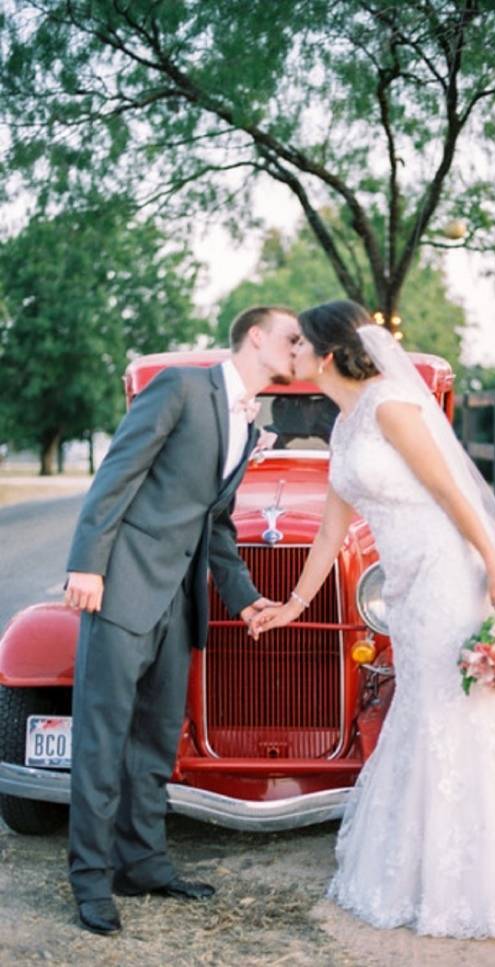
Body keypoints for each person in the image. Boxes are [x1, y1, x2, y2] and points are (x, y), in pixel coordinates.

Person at [250, 300, 495, 939]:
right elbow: (330, 532)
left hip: (445, 575)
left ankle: (476, 874)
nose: (289, 352)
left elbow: (451, 491)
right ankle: (429, 859)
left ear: (324, 355)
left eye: (297, 344)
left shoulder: (389, 406)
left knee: (452, 711)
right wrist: (293, 604)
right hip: (405, 591)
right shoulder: (347, 425)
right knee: (426, 710)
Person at [64, 305, 300, 935]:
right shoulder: (181, 387)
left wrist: (245, 596)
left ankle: (140, 864)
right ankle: (89, 881)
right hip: (122, 589)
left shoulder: (249, 428)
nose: (299, 348)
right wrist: (87, 565)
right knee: (101, 739)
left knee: (154, 741)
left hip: (181, 600)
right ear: (256, 337)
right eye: (291, 337)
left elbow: (213, 523)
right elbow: (116, 475)